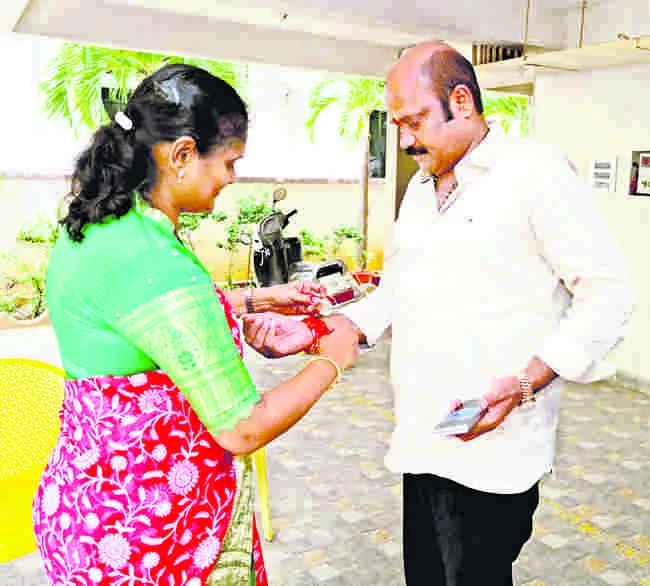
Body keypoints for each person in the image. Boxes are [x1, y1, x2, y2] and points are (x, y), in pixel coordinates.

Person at [242, 42, 635, 585]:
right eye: (398, 125)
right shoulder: (422, 192)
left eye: (415, 121)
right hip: (424, 438)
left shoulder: (534, 173)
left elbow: (608, 295)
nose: (405, 141)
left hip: (493, 447)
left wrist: (527, 382)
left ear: (462, 102)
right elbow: (397, 291)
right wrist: (317, 331)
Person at [32, 63, 359, 586]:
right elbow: (242, 428)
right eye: (229, 162)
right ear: (182, 154)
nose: (231, 178)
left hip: (89, 511)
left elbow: (138, 319)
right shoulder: (154, 260)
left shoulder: (98, 227)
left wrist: (256, 299)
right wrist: (333, 358)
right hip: (153, 539)